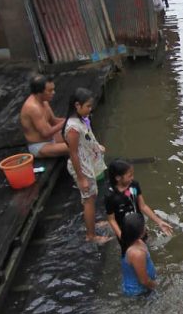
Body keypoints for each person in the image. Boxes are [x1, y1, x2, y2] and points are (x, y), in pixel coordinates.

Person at [63, 88, 109, 243]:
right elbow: (73, 153)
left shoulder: (82, 120)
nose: (90, 109)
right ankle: (91, 235)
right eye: (88, 106)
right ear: (77, 105)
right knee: (89, 199)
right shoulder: (73, 128)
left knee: (92, 196)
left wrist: (97, 146)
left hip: (88, 162)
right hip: (82, 167)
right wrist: (81, 178)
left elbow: (87, 137)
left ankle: (93, 224)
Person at [105, 160, 173, 241]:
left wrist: (159, 222)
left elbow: (143, 206)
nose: (132, 178)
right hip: (124, 229)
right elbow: (111, 219)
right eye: (129, 176)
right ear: (118, 177)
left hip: (139, 224)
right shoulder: (110, 196)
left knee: (144, 241)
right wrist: (121, 236)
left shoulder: (134, 185)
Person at [20, 74, 69, 158]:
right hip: (40, 146)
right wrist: (64, 123)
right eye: (50, 91)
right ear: (40, 93)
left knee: (78, 135)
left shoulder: (44, 101)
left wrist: (74, 118)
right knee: (77, 146)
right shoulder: (33, 108)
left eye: (53, 89)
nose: (53, 93)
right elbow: (46, 133)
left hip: (52, 138)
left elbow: (54, 121)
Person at [120, 212, 157, 295]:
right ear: (139, 233)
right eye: (144, 226)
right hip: (139, 291)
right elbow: (144, 281)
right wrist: (157, 285)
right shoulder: (137, 254)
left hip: (145, 283)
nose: (146, 227)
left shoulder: (136, 241)